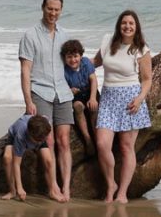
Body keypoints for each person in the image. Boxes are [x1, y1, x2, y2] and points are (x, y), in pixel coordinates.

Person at [93, 10, 152, 203]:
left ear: (136, 27)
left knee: (127, 147)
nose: (127, 26)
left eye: (131, 24)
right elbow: (95, 62)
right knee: (102, 144)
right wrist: (72, 66)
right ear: (119, 25)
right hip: (109, 99)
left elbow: (147, 80)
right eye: (124, 23)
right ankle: (111, 184)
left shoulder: (141, 49)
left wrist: (140, 99)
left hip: (130, 100)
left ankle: (122, 193)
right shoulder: (109, 42)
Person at [19, 0, 73, 200]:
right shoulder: (30, 35)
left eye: (56, 10)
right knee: (48, 141)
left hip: (63, 93)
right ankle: (52, 187)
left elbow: (73, 64)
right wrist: (28, 101)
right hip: (40, 92)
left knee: (64, 141)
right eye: (49, 9)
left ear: (61, 11)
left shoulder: (65, 35)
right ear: (43, 8)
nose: (53, 13)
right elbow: (25, 70)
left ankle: (66, 187)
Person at [1, 114, 63, 202]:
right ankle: (12, 191)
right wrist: (20, 188)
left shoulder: (44, 124)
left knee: (49, 160)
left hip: (37, 135)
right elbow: (16, 163)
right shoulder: (20, 135)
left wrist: (40, 140)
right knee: (7, 157)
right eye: (37, 141)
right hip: (14, 137)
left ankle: (52, 191)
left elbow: (43, 137)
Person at [60, 39, 99, 155]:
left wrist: (92, 98)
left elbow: (93, 80)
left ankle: (97, 139)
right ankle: (88, 140)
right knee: (77, 107)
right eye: (69, 57)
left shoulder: (86, 62)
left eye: (76, 56)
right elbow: (62, 88)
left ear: (81, 56)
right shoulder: (63, 70)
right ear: (64, 58)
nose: (73, 60)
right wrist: (69, 91)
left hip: (90, 91)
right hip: (76, 95)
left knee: (93, 109)